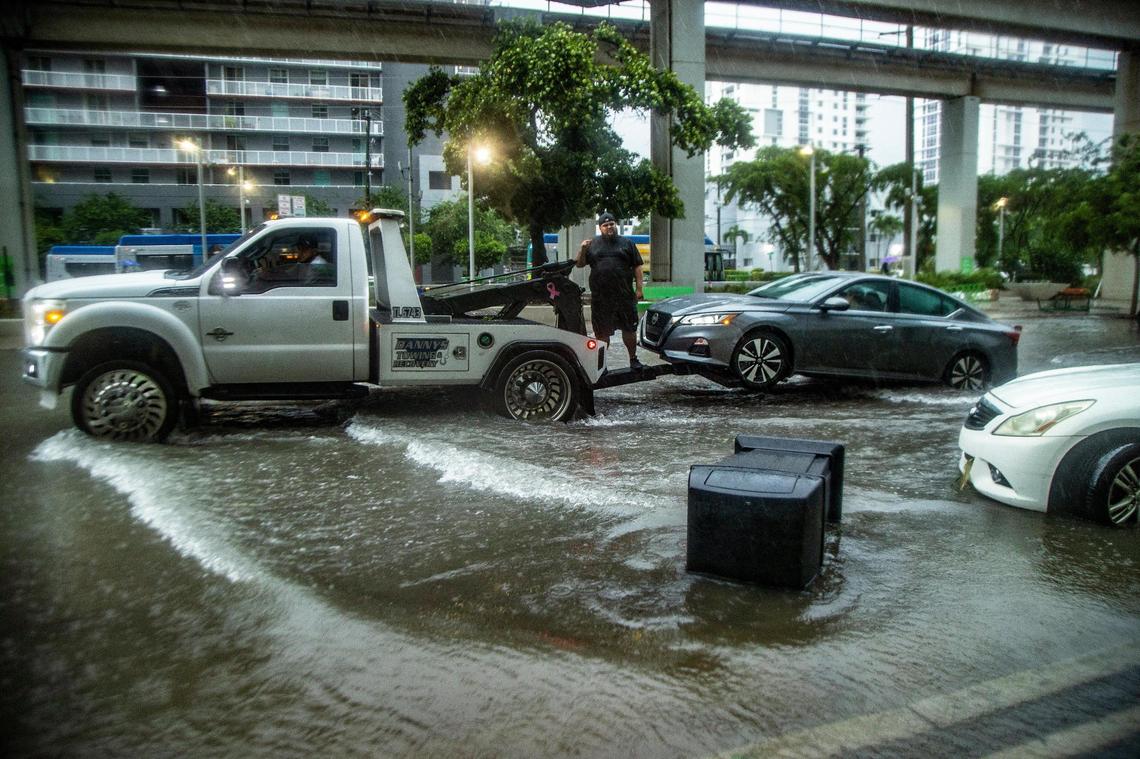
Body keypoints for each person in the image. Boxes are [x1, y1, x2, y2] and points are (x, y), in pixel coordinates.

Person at [576, 212, 645, 369]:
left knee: (629, 329)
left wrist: (639, 289)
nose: (609, 227)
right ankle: (600, 365)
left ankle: (633, 359)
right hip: (601, 298)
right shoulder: (592, 244)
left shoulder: (627, 243)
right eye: (605, 225)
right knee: (602, 333)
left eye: (611, 224)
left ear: (616, 225)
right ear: (600, 228)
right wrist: (582, 249)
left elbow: (637, 267)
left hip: (624, 296)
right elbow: (579, 264)